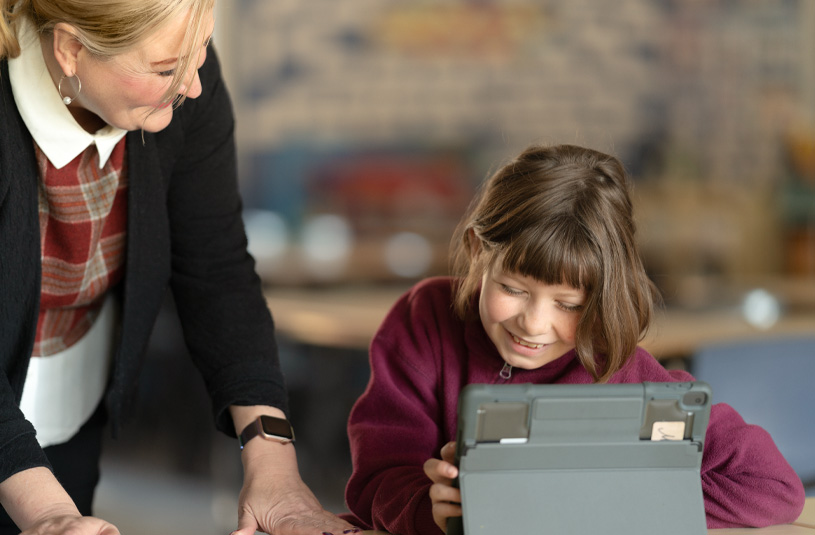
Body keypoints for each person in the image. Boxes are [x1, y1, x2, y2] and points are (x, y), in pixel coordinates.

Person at [0, 1, 360, 534]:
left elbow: (216, 269)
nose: (192, 86)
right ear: (71, 50)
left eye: (202, 49)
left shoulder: (186, 87)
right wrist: (50, 515)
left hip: (67, 403)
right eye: (167, 69)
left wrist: (274, 466)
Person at [343, 144, 807, 535]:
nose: (534, 324)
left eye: (568, 305)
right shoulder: (423, 321)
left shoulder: (623, 376)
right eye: (512, 289)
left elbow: (774, 488)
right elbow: (375, 480)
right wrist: (427, 510)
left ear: (604, 297)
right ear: (477, 251)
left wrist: (605, 504)